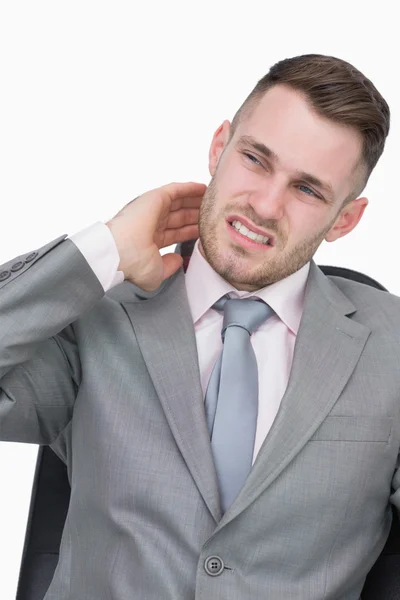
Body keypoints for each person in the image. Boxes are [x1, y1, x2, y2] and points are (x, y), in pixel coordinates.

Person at [0, 53, 397, 600]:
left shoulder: (391, 347)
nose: (264, 205)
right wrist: (103, 250)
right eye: (256, 159)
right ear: (219, 148)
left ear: (346, 219)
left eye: (307, 190)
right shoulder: (97, 317)